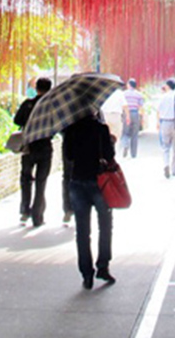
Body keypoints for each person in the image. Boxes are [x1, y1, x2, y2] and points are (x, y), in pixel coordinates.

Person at [63, 111, 116, 289]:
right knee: (105, 226)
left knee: (82, 231)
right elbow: (109, 156)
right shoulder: (101, 129)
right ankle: (103, 266)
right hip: (100, 182)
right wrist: (111, 142)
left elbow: (69, 156)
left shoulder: (70, 130)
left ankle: (86, 273)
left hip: (78, 182)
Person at [13, 77, 53, 227]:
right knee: (41, 183)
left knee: (26, 179)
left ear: (36, 88)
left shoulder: (27, 104)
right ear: (50, 89)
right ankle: (37, 217)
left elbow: (17, 121)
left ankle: (24, 211)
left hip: (28, 147)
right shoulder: (51, 106)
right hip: (45, 147)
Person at [121, 79, 144, 158]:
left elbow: (122, 105)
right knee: (134, 134)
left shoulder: (124, 94)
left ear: (129, 85)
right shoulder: (139, 95)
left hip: (126, 114)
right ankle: (133, 154)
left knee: (125, 132)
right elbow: (141, 106)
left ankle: (125, 145)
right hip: (135, 113)